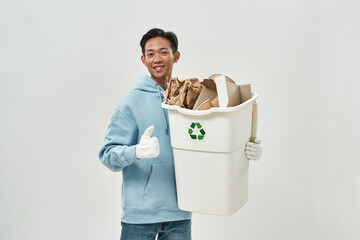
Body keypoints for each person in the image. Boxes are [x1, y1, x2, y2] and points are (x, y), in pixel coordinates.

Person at [99, 28, 263, 240]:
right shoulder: (130, 103)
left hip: (181, 213)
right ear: (143, 59)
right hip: (139, 217)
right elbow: (108, 156)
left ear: (176, 56)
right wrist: (136, 152)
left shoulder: (190, 100)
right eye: (150, 54)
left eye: (164, 52)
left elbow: (209, 146)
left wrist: (243, 149)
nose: (157, 59)